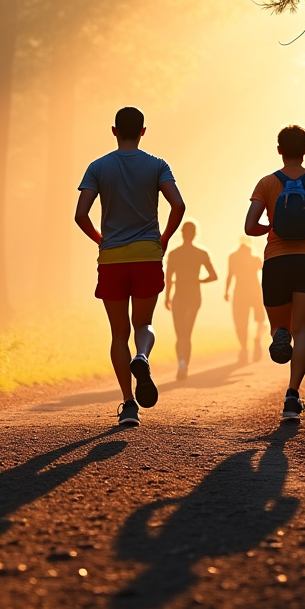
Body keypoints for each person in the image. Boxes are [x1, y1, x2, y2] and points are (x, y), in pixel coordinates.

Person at [75, 106, 186, 427]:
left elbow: (80, 214)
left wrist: (100, 239)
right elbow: (178, 204)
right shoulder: (157, 166)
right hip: (147, 254)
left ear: (113, 131)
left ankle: (128, 403)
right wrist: (163, 238)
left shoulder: (97, 167)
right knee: (144, 324)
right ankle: (143, 356)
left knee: (118, 332)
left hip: (111, 258)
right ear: (143, 131)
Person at [243, 125, 305, 421]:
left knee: (280, 328)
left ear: (279, 150)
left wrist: (272, 228)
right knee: (303, 331)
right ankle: (292, 396)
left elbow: (249, 227)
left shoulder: (267, 183)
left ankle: (278, 334)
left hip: (276, 262)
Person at [164, 221, 217, 380]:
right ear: (195, 234)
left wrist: (167, 296)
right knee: (186, 333)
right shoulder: (201, 253)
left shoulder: (174, 253)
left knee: (180, 333)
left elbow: (168, 277)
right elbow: (213, 276)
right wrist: (199, 281)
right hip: (194, 295)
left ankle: (182, 364)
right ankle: (183, 365)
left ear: (181, 233)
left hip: (179, 296)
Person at [223, 236, 267, 365]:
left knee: (241, 322)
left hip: (241, 291)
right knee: (259, 319)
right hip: (254, 290)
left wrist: (226, 291)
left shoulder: (234, 257)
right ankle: (256, 339)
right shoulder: (255, 259)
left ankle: (244, 348)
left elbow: (230, 275)